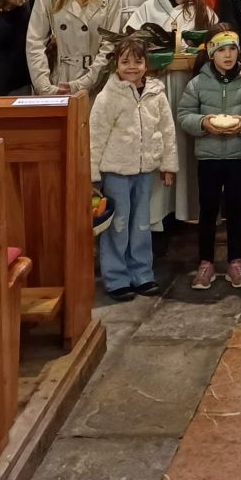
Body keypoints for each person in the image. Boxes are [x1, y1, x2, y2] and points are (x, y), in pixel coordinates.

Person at [127, 0, 218, 225]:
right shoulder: (148, 9)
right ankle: (157, 216)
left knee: (187, 148)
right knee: (157, 145)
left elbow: (216, 49)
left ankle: (188, 212)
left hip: (191, 91)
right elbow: (129, 47)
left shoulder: (203, 11)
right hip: (157, 90)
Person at [89, 35, 177, 302]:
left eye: (137, 61)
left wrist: (168, 164)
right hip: (116, 171)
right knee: (117, 224)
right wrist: (92, 174)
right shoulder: (108, 96)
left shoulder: (156, 93)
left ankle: (142, 273)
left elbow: (167, 129)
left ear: (146, 64)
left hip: (145, 171)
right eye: (125, 61)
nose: (131, 67)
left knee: (141, 223)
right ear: (116, 64)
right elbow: (95, 135)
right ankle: (116, 277)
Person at [179, 26, 241, 290]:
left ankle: (235, 262)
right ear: (211, 53)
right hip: (208, 157)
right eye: (222, 50)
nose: (228, 55)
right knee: (208, 211)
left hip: (238, 157)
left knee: (236, 210)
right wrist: (204, 123)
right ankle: (206, 262)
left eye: (232, 49)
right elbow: (184, 114)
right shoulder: (198, 83)